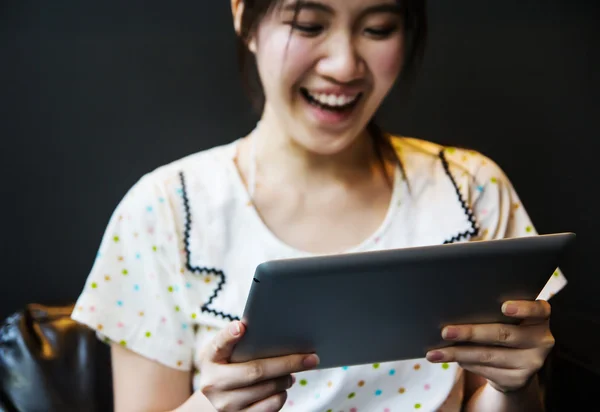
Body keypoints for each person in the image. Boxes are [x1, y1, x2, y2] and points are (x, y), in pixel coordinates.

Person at [71, 0, 567, 411]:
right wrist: (213, 405)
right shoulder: (164, 211)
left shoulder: (471, 189)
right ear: (244, 17)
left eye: (378, 28)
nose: (344, 65)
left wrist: (513, 384)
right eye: (309, 25)